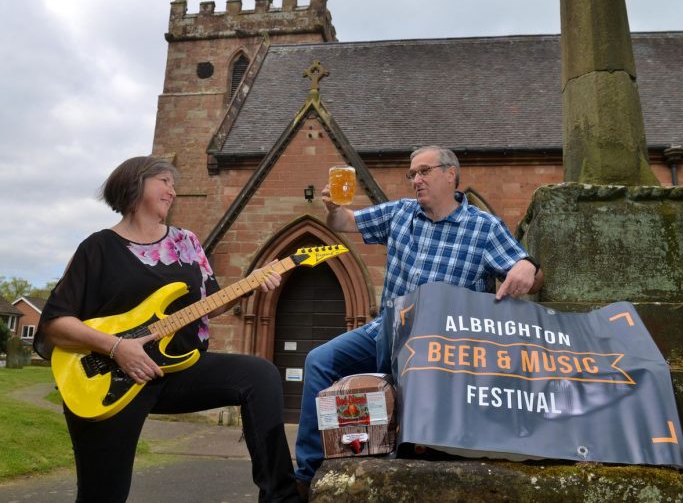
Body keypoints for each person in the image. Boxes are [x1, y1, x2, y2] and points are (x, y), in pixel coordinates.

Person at [34, 156, 299, 503]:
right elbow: (55, 324)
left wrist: (251, 283)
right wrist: (117, 348)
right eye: (164, 181)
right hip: (108, 381)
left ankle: (282, 496)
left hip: (178, 370)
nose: (173, 191)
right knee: (102, 495)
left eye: (174, 184)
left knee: (259, 375)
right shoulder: (97, 248)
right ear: (135, 184)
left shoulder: (186, 243)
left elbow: (211, 302)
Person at [294, 146, 543, 499]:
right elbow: (344, 223)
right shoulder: (401, 214)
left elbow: (534, 275)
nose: (416, 180)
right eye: (412, 174)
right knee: (318, 361)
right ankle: (306, 474)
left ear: (450, 174)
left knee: (405, 402)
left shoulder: (483, 228)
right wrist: (333, 210)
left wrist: (527, 266)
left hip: (438, 347)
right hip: (386, 330)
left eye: (424, 171)